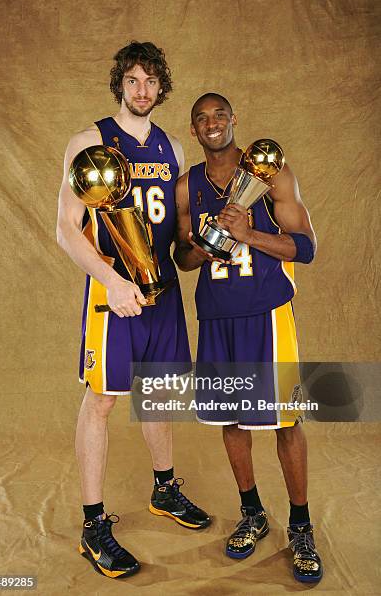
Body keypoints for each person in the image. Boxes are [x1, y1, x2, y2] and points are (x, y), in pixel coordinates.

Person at [56, 42, 210, 581]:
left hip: (162, 291)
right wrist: (110, 280)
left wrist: (206, 248)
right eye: (133, 80)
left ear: (160, 88)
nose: (142, 90)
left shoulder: (172, 147)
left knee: (159, 393)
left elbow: (179, 232)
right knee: (101, 400)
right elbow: (65, 228)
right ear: (119, 84)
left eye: (151, 82)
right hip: (114, 295)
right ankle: (93, 524)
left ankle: (165, 489)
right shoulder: (91, 140)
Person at [173, 92, 323, 584]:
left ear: (234, 120)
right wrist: (203, 247)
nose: (212, 124)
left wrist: (249, 233)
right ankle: (253, 512)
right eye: (202, 119)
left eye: (219, 115)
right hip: (217, 317)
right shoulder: (186, 186)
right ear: (193, 130)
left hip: (267, 315)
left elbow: (306, 248)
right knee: (232, 420)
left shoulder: (270, 171)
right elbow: (181, 258)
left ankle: (300, 526)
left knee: (284, 422)